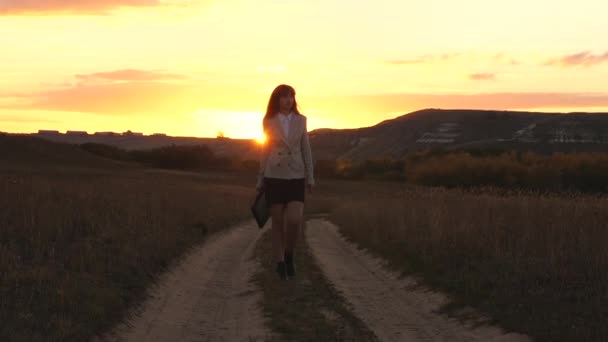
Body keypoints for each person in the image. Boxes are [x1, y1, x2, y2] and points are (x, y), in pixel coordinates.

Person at [256, 84, 314, 280]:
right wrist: (261, 177)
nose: (288, 100)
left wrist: (310, 176)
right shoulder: (269, 121)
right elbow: (265, 149)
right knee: (278, 223)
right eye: (284, 96)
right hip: (274, 175)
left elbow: (306, 149)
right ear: (277, 99)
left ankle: (289, 254)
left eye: (291, 96)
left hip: (296, 176)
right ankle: (280, 263)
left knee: (295, 220)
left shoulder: (301, 120)